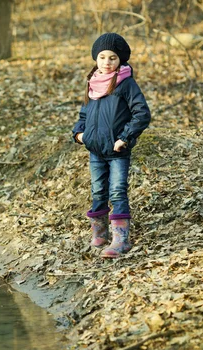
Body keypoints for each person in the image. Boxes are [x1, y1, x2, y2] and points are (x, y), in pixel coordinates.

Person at [72, 33, 151, 258]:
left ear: (121, 60)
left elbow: (141, 114)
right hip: (95, 149)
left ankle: (120, 239)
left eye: (113, 58)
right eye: (102, 57)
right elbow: (84, 114)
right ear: (96, 59)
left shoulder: (125, 83)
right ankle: (99, 232)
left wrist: (124, 137)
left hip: (117, 151)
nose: (107, 62)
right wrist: (79, 134)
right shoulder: (93, 82)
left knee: (117, 191)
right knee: (98, 189)